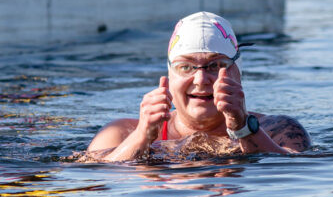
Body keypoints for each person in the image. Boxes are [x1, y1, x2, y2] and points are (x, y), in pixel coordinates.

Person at [87, 12, 311, 162]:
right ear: (170, 76)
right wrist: (142, 136)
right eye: (186, 67)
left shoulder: (278, 130)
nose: (200, 79)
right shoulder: (119, 134)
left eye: (215, 65)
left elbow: (288, 174)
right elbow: (95, 181)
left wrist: (243, 127)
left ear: (237, 73)